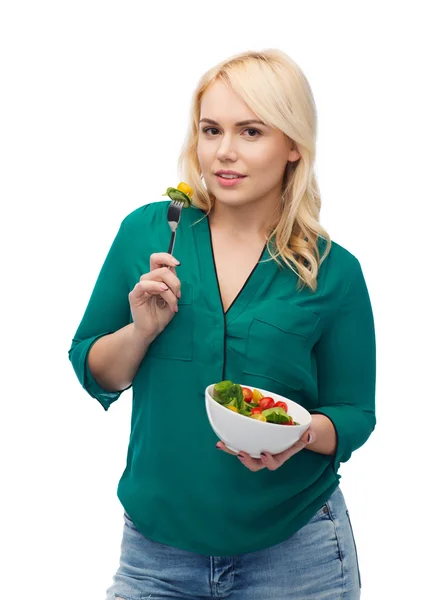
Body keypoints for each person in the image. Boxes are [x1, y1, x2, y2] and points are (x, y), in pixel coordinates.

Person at [69, 48, 375, 599]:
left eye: (251, 131)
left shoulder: (334, 271)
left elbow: (354, 414)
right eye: (211, 130)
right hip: (156, 553)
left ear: (292, 147)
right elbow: (97, 372)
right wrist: (140, 330)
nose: (224, 152)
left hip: (296, 554)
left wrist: (301, 435)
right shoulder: (149, 233)